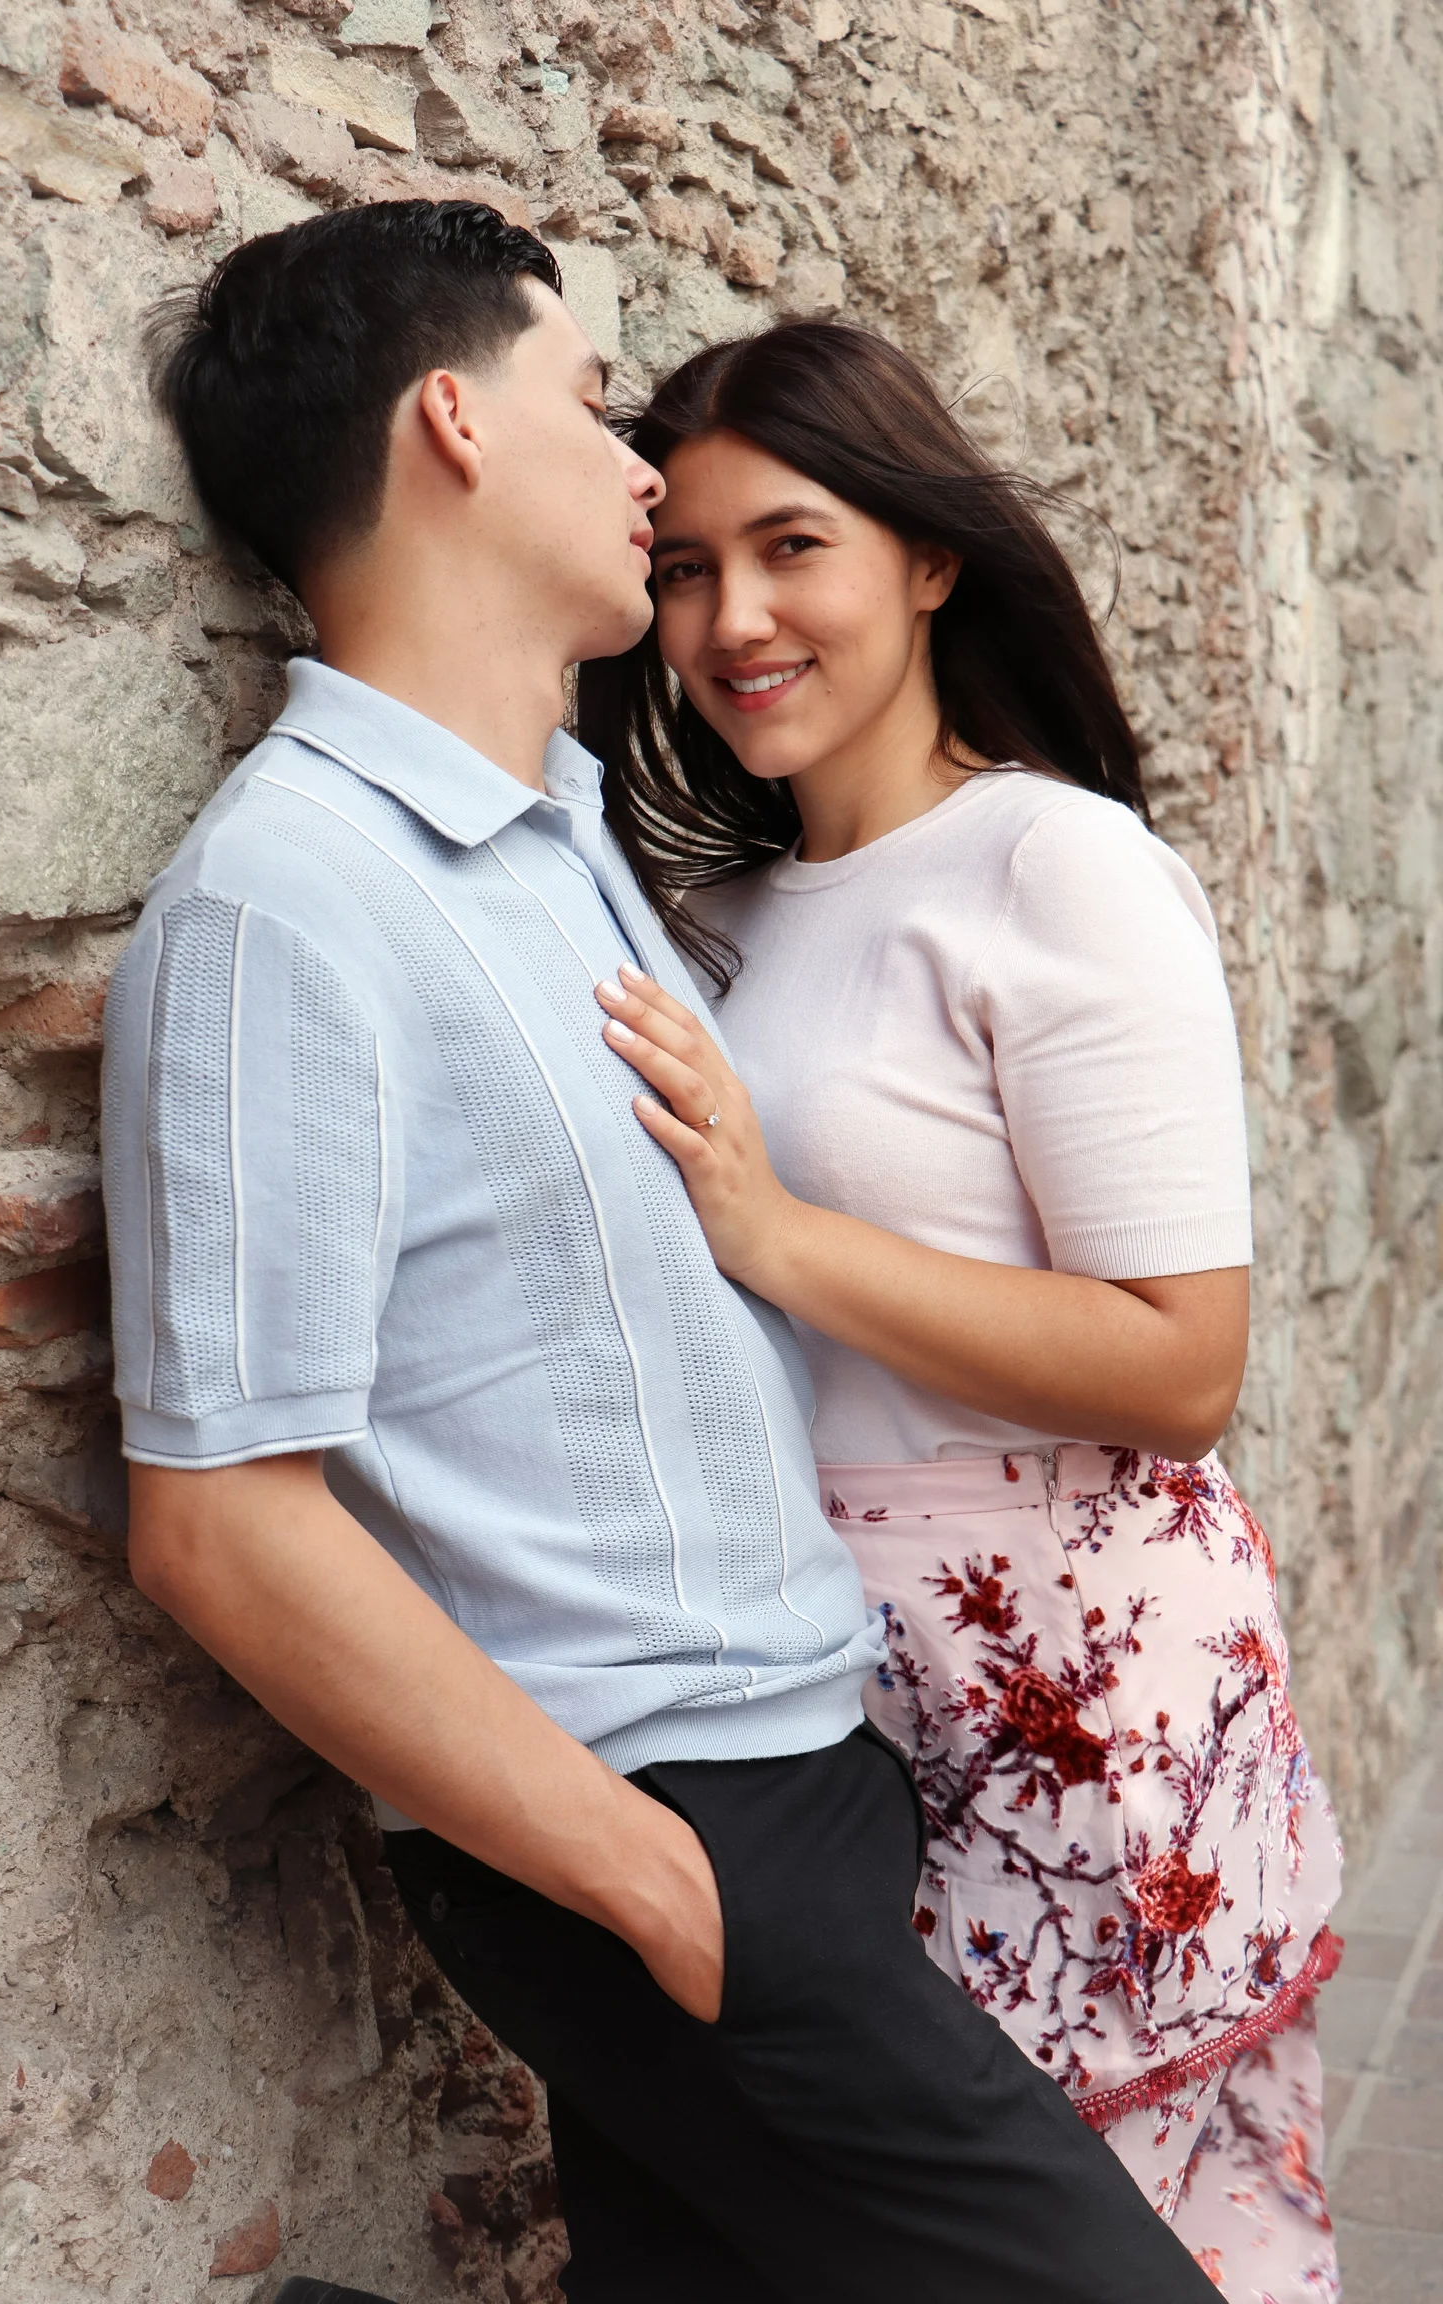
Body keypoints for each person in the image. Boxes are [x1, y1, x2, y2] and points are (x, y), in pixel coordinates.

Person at [106, 201, 1223, 2304]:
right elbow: (221, 1527)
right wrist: (655, 1882)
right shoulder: (287, 907)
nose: (644, 474)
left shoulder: (564, 839)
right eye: (592, 400)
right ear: (452, 421)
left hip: (803, 1780)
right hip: (659, 1826)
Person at [578, 319, 1343, 2302]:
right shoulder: (712, 917)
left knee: (1104, 2254)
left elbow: (1184, 1360)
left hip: (1081, 1706)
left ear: (927, 558)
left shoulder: (1054, 867)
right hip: (823, 1715)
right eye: (683, 566)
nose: (731, 615)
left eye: (792, 546)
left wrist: (774, 1224)